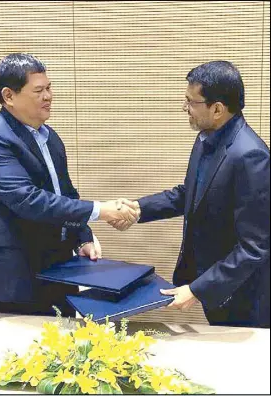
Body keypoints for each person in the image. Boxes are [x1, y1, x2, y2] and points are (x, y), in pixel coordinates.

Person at [111, 61, 270, 328]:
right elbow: (190, 194)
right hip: (215, 286)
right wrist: (139, 209)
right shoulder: (207, 137)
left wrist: (198, 290)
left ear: (217, 109)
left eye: (191, 102)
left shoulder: (250, 156)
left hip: (245, 297)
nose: (185, 108)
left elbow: (254, 247)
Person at [0, 53, 138, 316]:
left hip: (60, 267)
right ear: (9, 96)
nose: (48, 96)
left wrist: (82, 236)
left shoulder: (48, 135)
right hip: (16, 278)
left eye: (49, 88)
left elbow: (65, 193)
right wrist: (102, 210)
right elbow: (29, 201)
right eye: (38, 90)